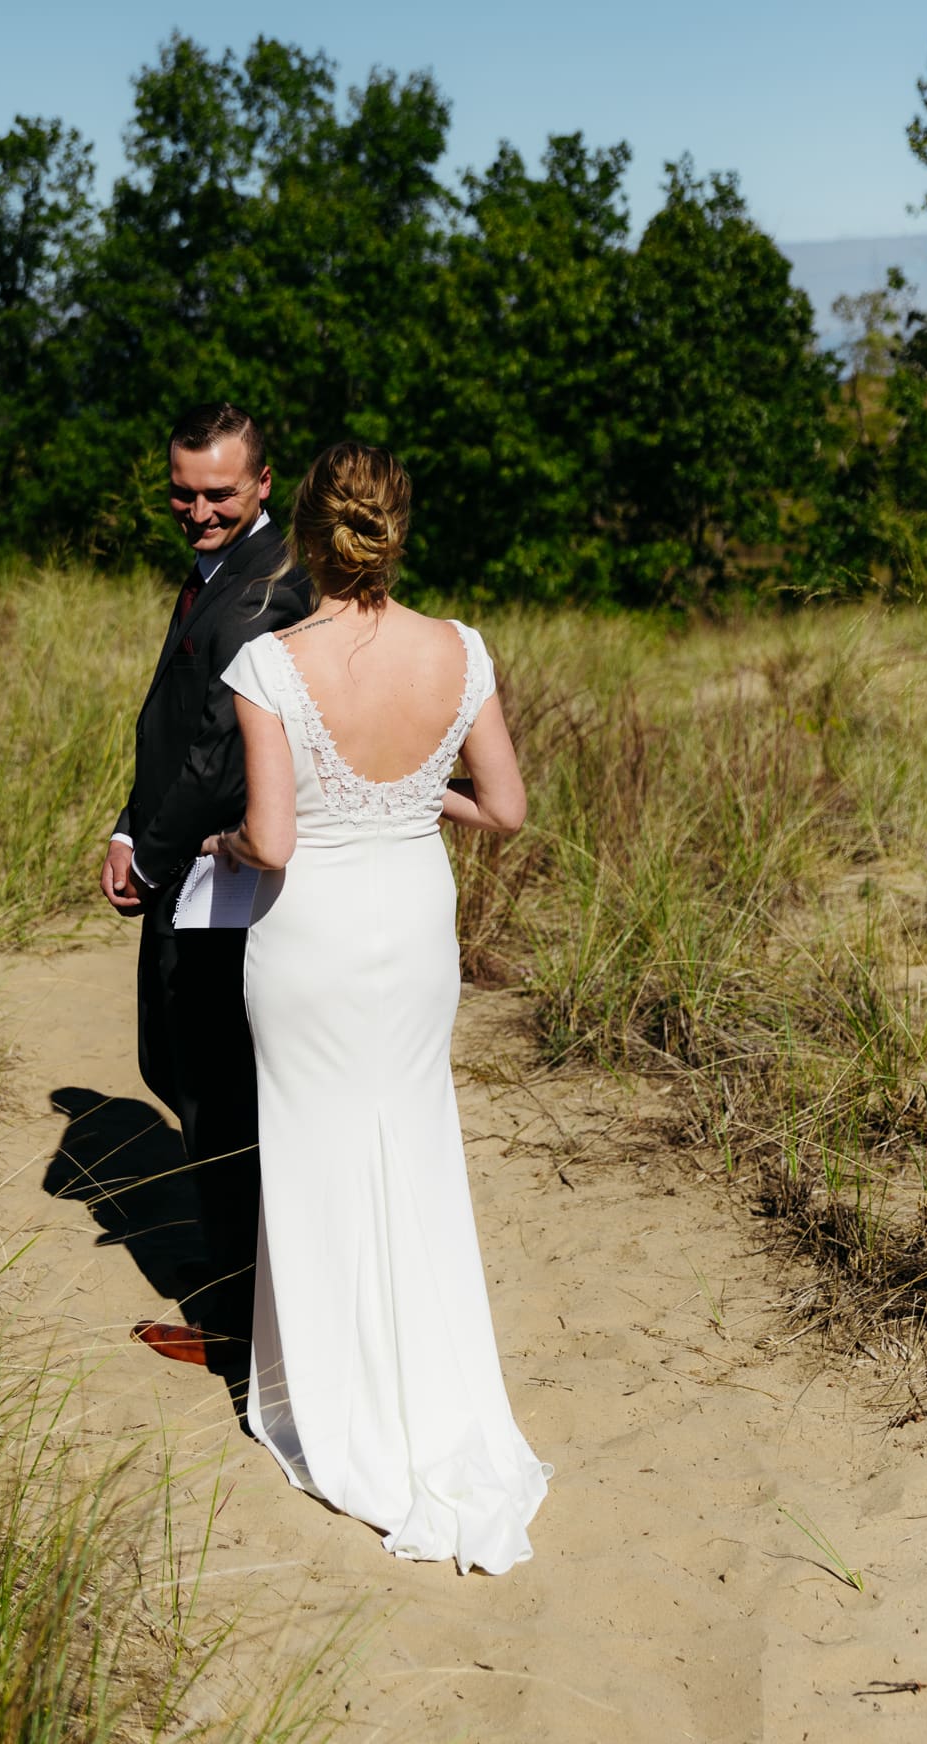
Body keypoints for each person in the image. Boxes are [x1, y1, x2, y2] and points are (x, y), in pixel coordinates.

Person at [206, 441, 551, 1573]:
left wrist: (218, 841)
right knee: (412, 1137)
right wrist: (422, 792)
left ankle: (339, 1390)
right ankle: (434, 1382)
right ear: (398, 529)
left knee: (313, 1148)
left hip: (308, 932)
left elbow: (275, 839)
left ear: (303, 531)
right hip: (410, 922)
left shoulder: (270, 662)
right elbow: (503, 807)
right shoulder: (461, 649)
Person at [100, 402, 310, 1365]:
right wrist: (123, 823)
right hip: (181, 867)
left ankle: (237, 1321)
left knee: (220, 1096)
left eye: (218, 494)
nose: (197, 512)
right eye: (182, 493)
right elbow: (167, 724)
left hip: (224, 886)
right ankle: (243, 1300)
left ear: (263, 484)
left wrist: (148, 850)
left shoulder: (267, 591)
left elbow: (221, 754)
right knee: (178, 1072)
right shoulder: (218, 575)